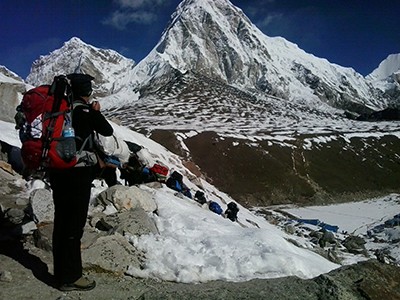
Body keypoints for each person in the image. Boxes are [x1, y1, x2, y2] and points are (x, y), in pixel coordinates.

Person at [48, 73, 113, 291]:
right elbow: (107, 131)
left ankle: (60, 274)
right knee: (74, 225)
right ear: (86, 92)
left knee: (61, 220)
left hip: (57, 171)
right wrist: (96, 112)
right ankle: (71, 277)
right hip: (78, 173)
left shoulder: (60, 111)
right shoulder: (85, 111)